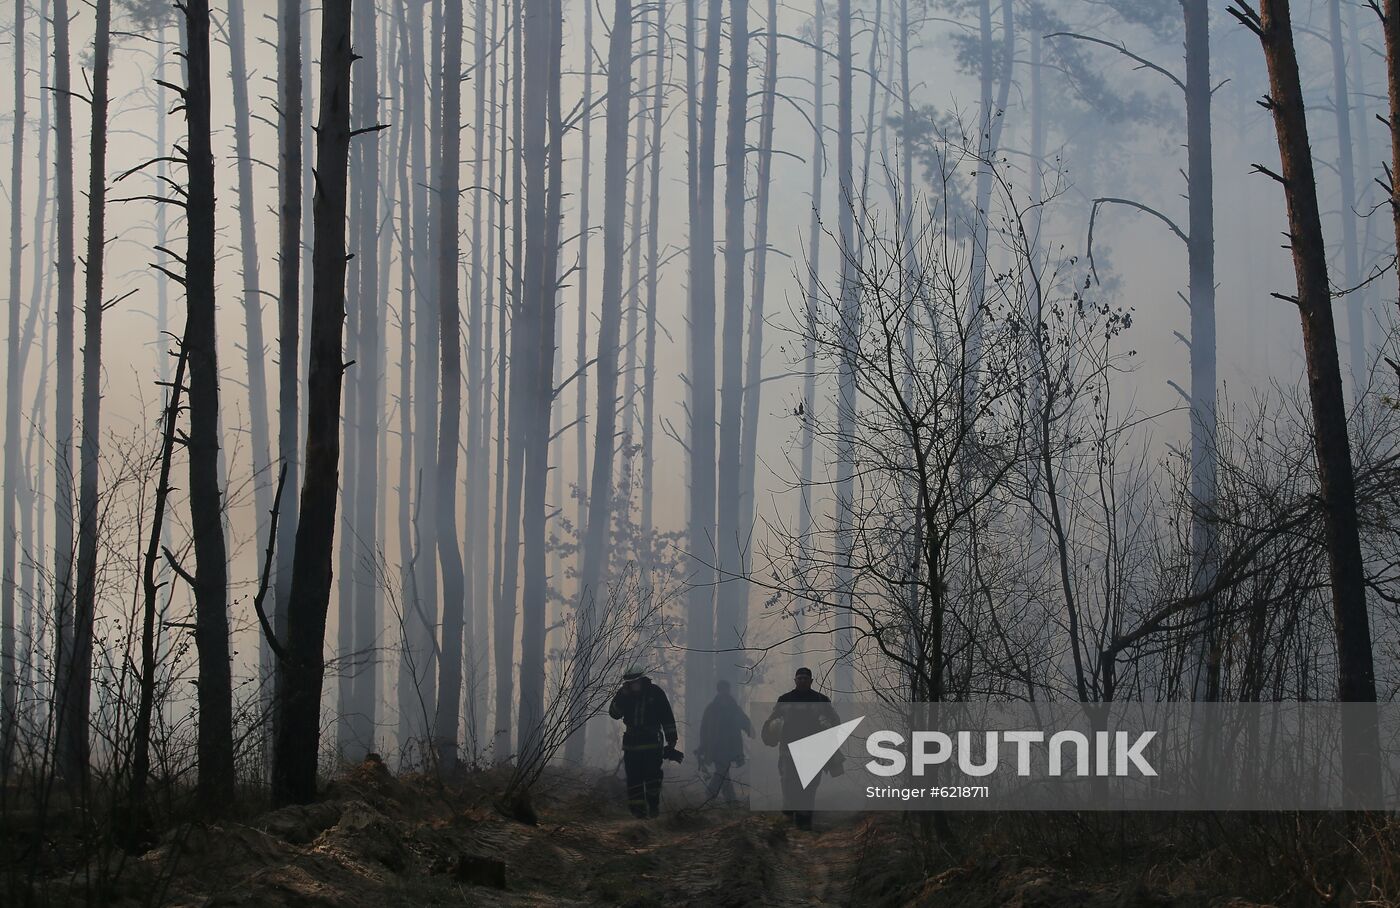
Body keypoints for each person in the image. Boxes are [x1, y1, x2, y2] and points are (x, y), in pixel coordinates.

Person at [762, 666, 842, 831]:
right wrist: (771, 730)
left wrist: (828, 725)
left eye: (806, 678)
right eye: (800, 678)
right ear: (795, 680)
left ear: (811, 681)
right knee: (789, 783)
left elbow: (835, 722)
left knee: (809, 787)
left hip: (813, 752)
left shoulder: (822, 701)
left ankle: (804, 823)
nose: (803, 681)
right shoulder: (784, 699)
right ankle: (790, 816)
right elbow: (771, 722)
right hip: (788, 750)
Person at [608, 666, 679, 818]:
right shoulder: (623, 694)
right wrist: (622, 697)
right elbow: (614, 714)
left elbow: (667, 717)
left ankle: (653, 807)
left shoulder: (655, 693)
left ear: (641, 680)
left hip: (652, 744)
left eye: (633, 682)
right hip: (631, 745)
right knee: (634, 779)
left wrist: (671, 740)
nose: (631, 686)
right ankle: (638, 814)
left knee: (652, 777)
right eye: (628, 683)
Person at [697, 680, 752, 804]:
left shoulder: (734, 707)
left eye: (726, 689)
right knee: (722, 770)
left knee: (724, 772)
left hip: (731, 746)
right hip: (715, 746)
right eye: (722, 689)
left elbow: (744, 721)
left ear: (728, 690)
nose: (724, 692)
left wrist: (751, 731)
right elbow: (704, 728)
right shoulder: (711, 709)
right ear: (719, 690)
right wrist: (703, 745)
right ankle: (711, 793)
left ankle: (730, 799)